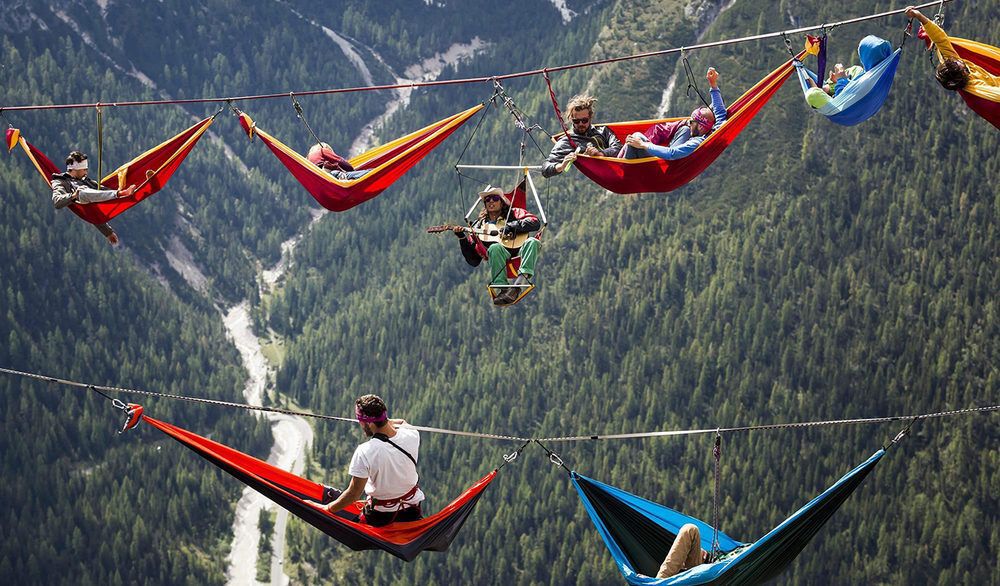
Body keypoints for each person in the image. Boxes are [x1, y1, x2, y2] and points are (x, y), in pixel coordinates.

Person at [322, 394, 424, 527]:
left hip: (381, 517)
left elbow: (353, 494)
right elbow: (402, 422)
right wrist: (384, 421)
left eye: (360, 421)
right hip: (412, 511)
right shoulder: (412, 434)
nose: (360, 424)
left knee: (350, 528)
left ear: (369, 423)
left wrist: (328, 509)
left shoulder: (365, 452)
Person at [454, 185, 541, 306]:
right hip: (500, 255)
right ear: (485, 204)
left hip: (519, 251)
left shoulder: (514, 213)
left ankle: (518, 284)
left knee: (533, 242)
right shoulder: (479, 225)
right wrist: (462, 238)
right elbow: (473, 260)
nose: (491, 201)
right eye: (487, 200)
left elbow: (535, 222)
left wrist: (511, 226)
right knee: (494, 247)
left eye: (495, 198)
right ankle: (503, 289)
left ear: (502, 202)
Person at [621, 68, 727, 160]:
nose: (689, 123)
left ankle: (619, 169)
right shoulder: (715, 129)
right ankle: (617, 161)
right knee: (684, 129)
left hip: (664, 165)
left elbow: (672, 153)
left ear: (700, 126)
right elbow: (720, 112)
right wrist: (713, 84)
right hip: (665, 159)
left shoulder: (697, 141)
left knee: (636, 136)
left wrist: (642, 144)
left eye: (691, 122)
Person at [906, 6, 1000, 99]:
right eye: (957, 64)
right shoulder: (975, 87)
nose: (957, 60)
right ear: (961, 73)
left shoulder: (953, 64)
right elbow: (996, 95)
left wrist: (918, 16)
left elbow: (940, 39)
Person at [51, 151, 136, 245]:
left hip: (95, 199)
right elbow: (57, 201)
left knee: (99, 189)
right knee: (83, 192)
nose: (86, 172)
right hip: (80, 198)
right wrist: (74, 195)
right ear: (75, 170)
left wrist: (108, 232)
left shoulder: (87, 181)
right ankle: (121, 193)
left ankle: (128, 189)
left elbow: (95, 208)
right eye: (84, 170)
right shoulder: (60, 181)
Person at [799, 35, 892, 109]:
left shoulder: (867, 80)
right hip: (846, 98)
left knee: (816, 94)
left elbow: (843, 99)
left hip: (846, 107)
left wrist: (841, 78)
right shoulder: (878, 74)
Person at [541, 94, 623, 178]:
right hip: (599, 177)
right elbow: (545, 169)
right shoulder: (567, 141)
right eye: (576, 121)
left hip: (620, 169)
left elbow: (618, 147)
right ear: (571, 119)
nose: (580, 124)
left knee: (632, 140)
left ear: (590, 117)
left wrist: (601, 153)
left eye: (584, 120)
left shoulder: (603, 131)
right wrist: (561, 166)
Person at [307, 142, 371, 180]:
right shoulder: (322, 150)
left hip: (322, 182)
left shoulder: (308, 161)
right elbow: (340, 161)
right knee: (370, 172)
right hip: (333, 176)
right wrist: (352, 170)